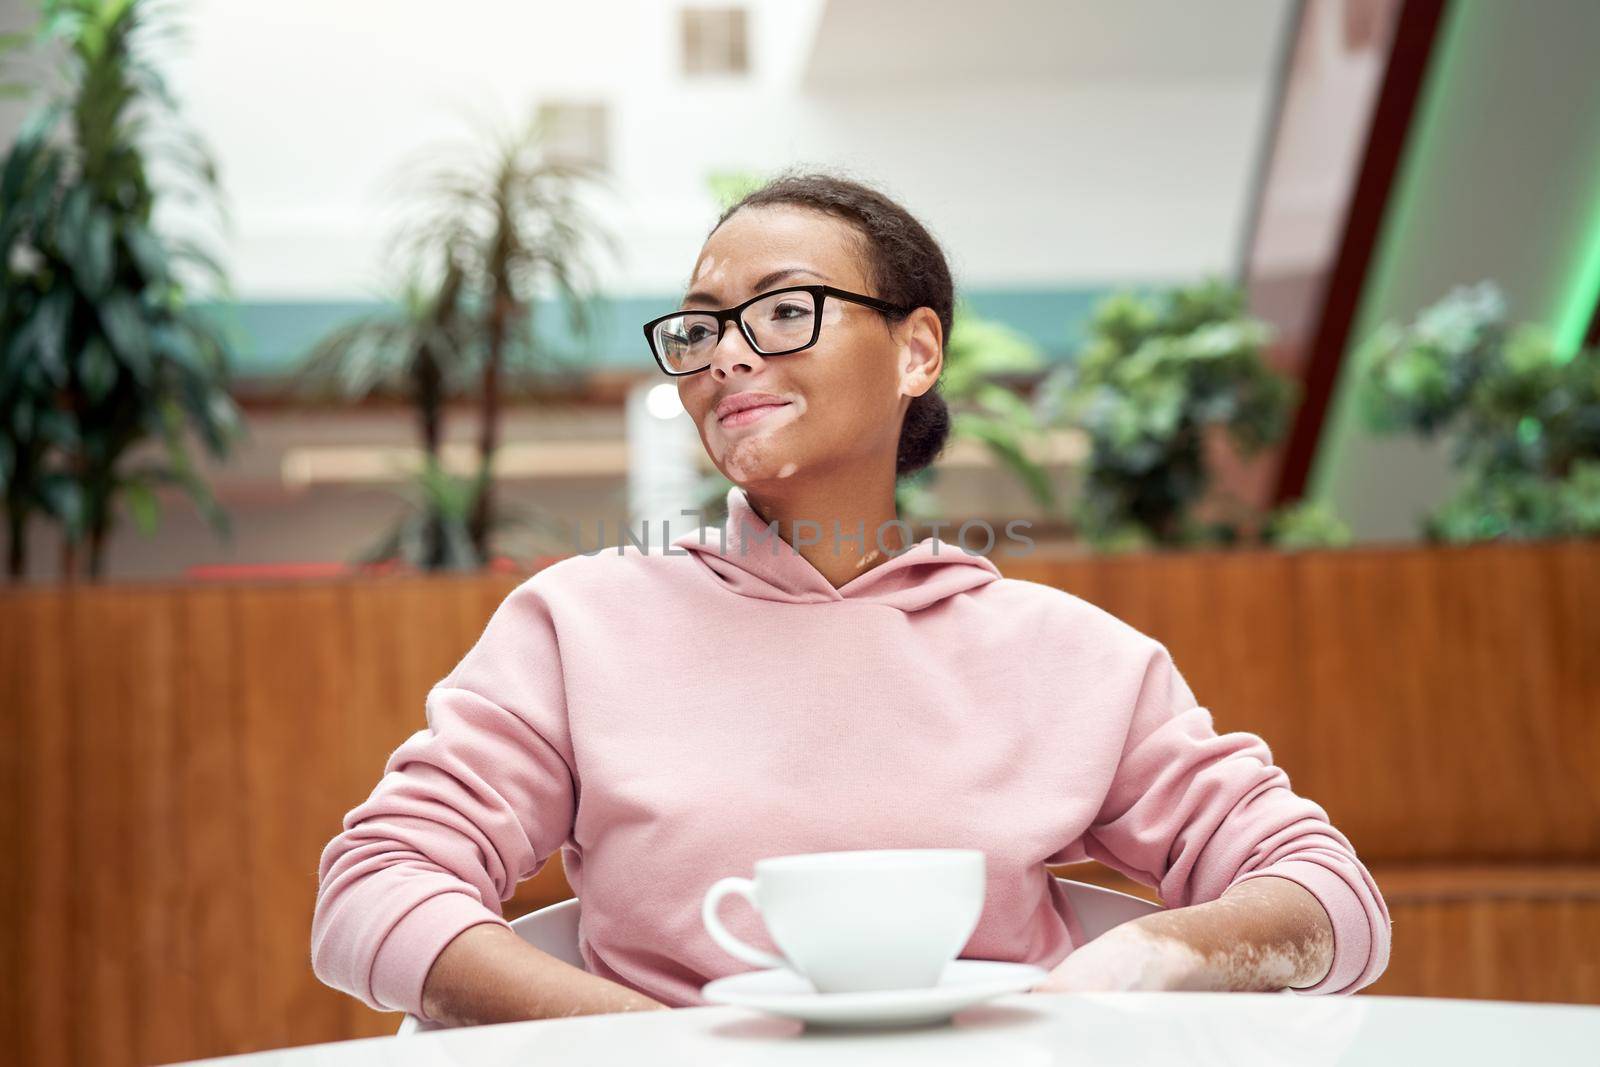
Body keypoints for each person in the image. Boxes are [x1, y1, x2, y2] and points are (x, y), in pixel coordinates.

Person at [310, 170, 1391, 1028]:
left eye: (783, 311)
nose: (725, 356)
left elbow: (1328, 897)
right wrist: (652, 1046)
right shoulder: (577, 624)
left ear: (916, 349)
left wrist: (1151, 957)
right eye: (698, 329)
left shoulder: (1071, 655)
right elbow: (374, 887)